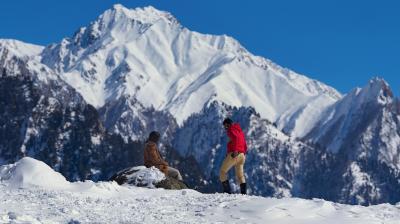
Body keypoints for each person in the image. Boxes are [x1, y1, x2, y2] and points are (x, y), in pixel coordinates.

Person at [219, 118, 247, 194]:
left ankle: (227, 192)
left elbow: (235, 138)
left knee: (222, 172)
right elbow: (244, 143)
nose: (225, 128)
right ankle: (244, 193)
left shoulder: (231, 130)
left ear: (228, 124)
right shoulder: (240, 131)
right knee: (240, 176)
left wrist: (235, 150)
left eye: (225, 126)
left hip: (235, 154)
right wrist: (243, 152)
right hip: (242, 155)